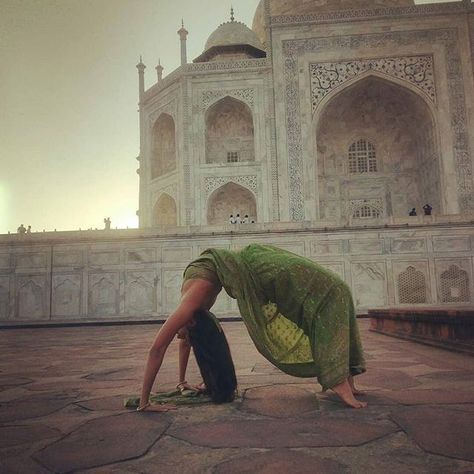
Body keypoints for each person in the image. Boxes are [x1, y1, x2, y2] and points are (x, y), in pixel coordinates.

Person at [137, 244, 367, 412]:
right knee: (331, 297)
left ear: (189, 323)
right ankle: (344, 375)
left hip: (257, 266)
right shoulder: (196, 315)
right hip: (249, 261)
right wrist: (181, 381)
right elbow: (186, 342)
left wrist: (144, 402)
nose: (181, 337)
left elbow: (157, 349)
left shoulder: (191, 306)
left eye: (180, 332)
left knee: (331, 295)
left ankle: (341, 378)